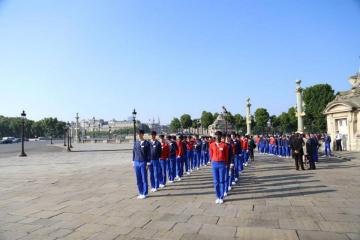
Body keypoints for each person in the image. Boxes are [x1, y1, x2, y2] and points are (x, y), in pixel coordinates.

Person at [209, 131, 228, 204]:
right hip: (214, 164)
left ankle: (221, 197)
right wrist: (212, 161)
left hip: (222, 164)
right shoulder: (211, 145)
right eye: (216, 135)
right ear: (215, 136)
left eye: (219, 135)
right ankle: (217, 196)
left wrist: (226, 163)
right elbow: (210, 154)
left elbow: (226, 155)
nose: (217, 137)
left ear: (221, 136)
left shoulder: (224, 145)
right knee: (216, 181)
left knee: (221, 181)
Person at [132, 129, 150, 199]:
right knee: (138, 178)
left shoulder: (146, 143)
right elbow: (133, 152)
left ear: (143, 134)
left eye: (140, 134)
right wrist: (133, 161)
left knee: (144, 178)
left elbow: (149, 154)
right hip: (136, 161)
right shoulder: (136, 142)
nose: (138, 135)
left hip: (143, 162)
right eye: (138, 134)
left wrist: (148, 163)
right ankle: (140, 192)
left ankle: (145, 193)